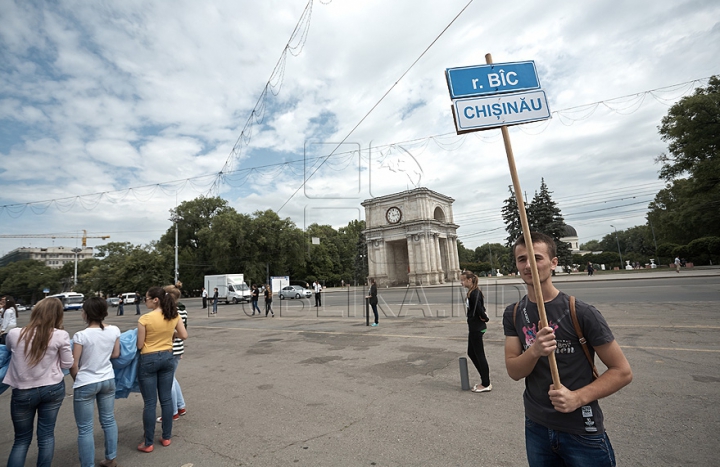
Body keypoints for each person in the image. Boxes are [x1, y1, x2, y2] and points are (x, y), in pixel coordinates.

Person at [503, 232, 632, 467]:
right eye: (522, 259)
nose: (529, 265)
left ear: (554, 263)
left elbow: (622, 371)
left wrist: (577, 398)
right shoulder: (513, 313)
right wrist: (534, 351)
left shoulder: (581, 312)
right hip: (536, 427)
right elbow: (513, 371)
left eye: (537, 257)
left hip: (581, 431)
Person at [3, 297, 73, 467]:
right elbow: (68, 363)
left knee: (21, 440)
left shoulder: (14, 334)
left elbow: (7, 351)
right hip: (52, 389)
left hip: (23, 391)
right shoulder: (60, 335)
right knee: (47, 435)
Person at [70, 297, 121, 467]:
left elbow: (74, 364)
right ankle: (110, 458)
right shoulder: (114, 330)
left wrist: (78, 379)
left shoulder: (81, 336)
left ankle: (87, 464)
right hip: (108, 379)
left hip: (86, 382)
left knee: (85, 428)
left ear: (86, 314)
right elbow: (115, 354)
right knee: (108, 419)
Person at [136, 287, 188, 453]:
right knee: (166, 399)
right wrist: (171, 336)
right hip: (167, 357)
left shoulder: (145, 319)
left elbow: (139, 345)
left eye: (147, 298)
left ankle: (148, 442)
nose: (145, 301)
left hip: (149, 359)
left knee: (150, 402)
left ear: (155, 300)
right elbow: (184, 335)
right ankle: (166, 437)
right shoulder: (174, 315)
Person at [156, 284, 188, 423]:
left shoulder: (168, 312)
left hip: (169, 348)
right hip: (178, 347)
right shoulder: (182, 310)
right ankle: (180, 406)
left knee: (167, 382)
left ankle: (172, 411)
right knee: (172, 379)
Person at [461, 271, 491, 393]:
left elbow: (479, 310)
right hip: (474, 327)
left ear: (469, 280)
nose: (461, 283)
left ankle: (486, 383)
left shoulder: (475, 293)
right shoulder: (471, 292)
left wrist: (485, 318)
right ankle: (484, 379)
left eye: (463, 280)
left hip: (477, 327)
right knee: (471, 353)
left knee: (479, 355)